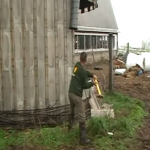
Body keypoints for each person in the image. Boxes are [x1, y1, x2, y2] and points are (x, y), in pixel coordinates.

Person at [68, 52, 97, 145]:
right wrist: (93, 83)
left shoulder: (77, 65)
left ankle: (69, 129)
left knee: (72, 112)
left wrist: (92, 75)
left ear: (80, 58)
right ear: (86, 59)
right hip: (76, 95)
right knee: (82, 115)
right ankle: (83, 139)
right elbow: (85, 85)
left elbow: (84, 72)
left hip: (70, 93)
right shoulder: (83, 71)